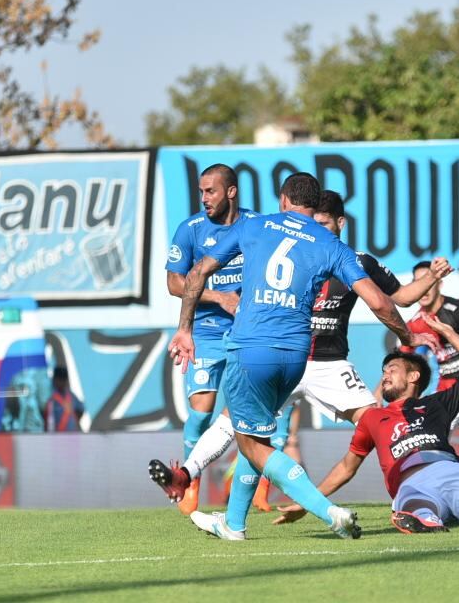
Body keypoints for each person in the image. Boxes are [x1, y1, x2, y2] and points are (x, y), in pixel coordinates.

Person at [164, 172, 424, 540]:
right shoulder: (332, 244)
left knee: (250, 443)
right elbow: (380, 301)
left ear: (284, 200)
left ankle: (328, 511)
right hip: (297, 354)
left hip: (252, 347)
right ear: (314, 206)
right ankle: (234, 523)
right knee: (255, 435)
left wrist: (185, 329)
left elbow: (198, 272)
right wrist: (407, 336)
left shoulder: (257, 225)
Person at [274, 350, 459, 534]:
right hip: (411, 485)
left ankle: (427, 518)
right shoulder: (371, 418)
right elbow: (346, 467)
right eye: (384, 371)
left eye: (392, 370)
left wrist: (449, 334)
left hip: (447, 470)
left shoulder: (437, 403)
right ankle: (425, 520)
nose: (385, 376)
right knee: (415, 507)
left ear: (413, 376)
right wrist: (309, 502)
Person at [161, 163, 254, 513]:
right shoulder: (191, 230)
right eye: (201, 191)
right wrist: (221, 298)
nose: (204, 198)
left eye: (210, 191)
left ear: (231, 192)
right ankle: (189, 480)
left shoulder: (254, 225)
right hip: (206, 333)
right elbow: (174, 283)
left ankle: (244, 497)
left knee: (243, 415)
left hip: (246, 333)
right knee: (201, 414)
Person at [406, 260, 459, 392]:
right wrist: (378, 392)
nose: (424, 290)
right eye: (419, 283)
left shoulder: (456, 310)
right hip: (445, 392)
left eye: (428, 282)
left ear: (439, 284)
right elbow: (400, 359)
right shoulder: (414, 324)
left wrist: (448, 333)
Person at [44, 366, 84, 432]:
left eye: (64, 380)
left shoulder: (71, 395)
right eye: (60, 379)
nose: (62, 382)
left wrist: (73, 421)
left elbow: (81, 409)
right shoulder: (50, 395)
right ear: (54, 379)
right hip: (55, 435)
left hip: (72, 434)